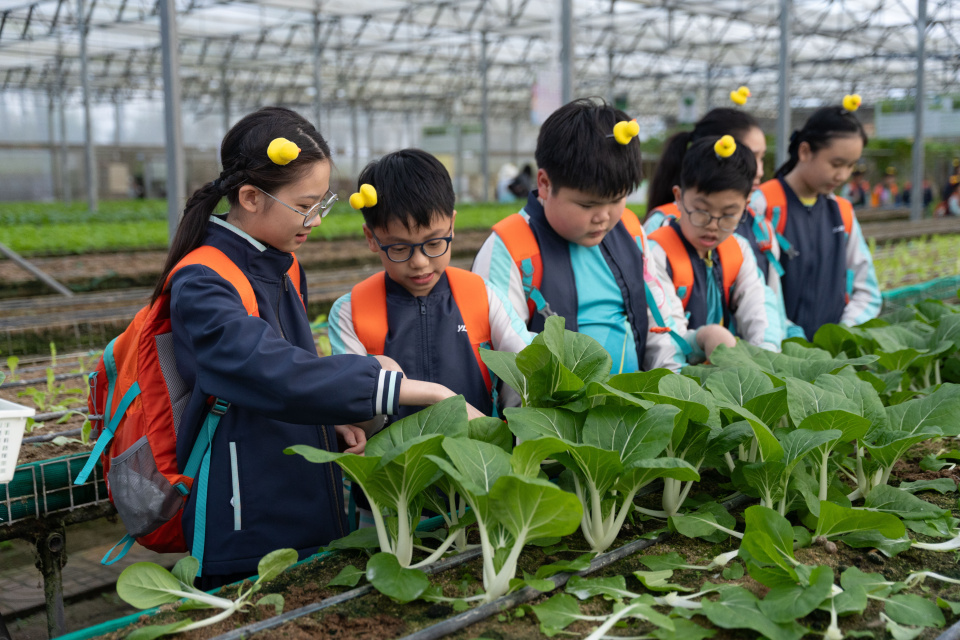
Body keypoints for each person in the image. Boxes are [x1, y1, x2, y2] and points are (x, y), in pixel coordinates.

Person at [160, 107, 475, 588]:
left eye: (322, 203)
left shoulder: (284, 265)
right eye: (306, 205)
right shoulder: (202, 281)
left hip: (309, 496)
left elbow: (301, 367)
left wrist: (330, 417)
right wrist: (420, 391)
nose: (317, 220)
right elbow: (272, 371)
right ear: (250, 198)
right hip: (243, 519)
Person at [472, 98, 714, 373]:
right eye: (587, 205)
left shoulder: (631, 232)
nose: (604, 217)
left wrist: (672, 383)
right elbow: (508, 354)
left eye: (617, 200)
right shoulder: (509, 249)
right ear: (545, 184)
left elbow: (658, 323)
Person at [328, 149, 533, 423]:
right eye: (399, 248)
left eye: (434, 243)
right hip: (392, 453)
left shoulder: (482, 296)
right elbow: (350, 404)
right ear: (371, 238)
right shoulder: (351, 312)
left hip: (480, 448)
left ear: (452, 225)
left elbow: (528, 365)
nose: (420, 262)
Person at [750, 99, 881, 341]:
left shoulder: (842, 211)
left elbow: (867, 290)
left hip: (832, 353)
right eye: (836, 164)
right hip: (774, 349)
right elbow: (751, 291)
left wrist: (842, 332)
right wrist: (787, 338)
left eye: (850, 166)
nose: (842, 175)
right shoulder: (763, 205)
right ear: (805, 152)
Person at [647, 136, 782, 355]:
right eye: (702, 211)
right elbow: (664, 343)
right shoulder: (657, 254)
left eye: (729, 214)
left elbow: (760, 311)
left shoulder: (739, 250)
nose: (713, 225)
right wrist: (702, 339)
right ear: (678, 198)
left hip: (723, 368)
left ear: (746, 206)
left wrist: (767, 356)